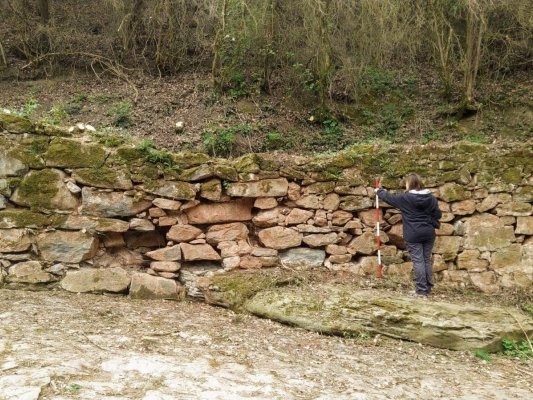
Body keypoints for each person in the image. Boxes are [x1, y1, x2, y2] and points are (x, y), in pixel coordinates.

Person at [376, 173, 442, 297]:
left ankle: (421, 290)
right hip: (429, 232)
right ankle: (427, 288)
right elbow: (438, 215)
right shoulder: (431, 198)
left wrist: (379, 191)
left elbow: (390, 198)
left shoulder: (406, 198)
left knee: (418, 261)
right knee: (426, 259)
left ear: (409, 184)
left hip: (413, 234)